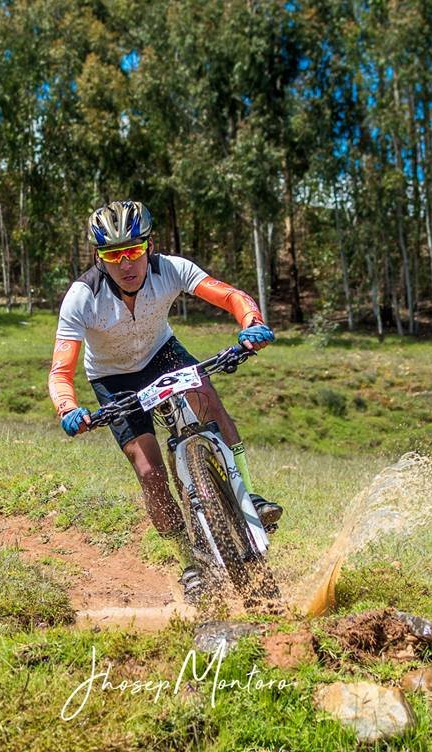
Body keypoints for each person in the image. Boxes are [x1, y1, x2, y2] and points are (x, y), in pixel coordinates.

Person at [48, 200, 283, 602]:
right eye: (113, 254)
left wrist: (252, 322)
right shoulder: (81, 297)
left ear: (149, 246)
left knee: (208, 397)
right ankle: (189, 558)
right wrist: (69, 409)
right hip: (112, 377)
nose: (126, 263)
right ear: (98, 257)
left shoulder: (171, 268)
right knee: (150, 471)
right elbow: (60, 370)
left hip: (162, 354)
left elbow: (229, 296)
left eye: (134, 251)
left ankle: (249, 495)